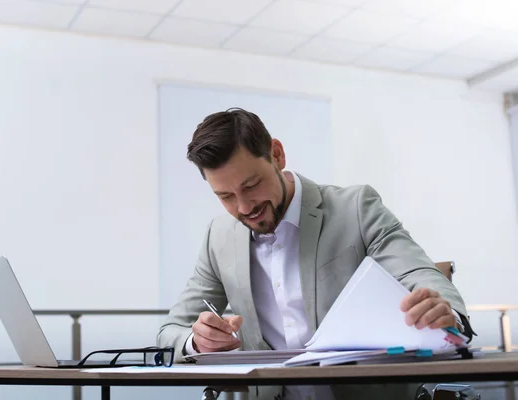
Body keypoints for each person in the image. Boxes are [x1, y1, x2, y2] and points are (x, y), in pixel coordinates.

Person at [157, 108, 474, 399]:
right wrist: (196, 341)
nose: (244, 207)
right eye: (225, 196)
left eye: (251, 185)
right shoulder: (219, 237)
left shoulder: (356, 208)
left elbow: (419, 273)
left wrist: (446, 313)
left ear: (277, 155)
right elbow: (170, 332)